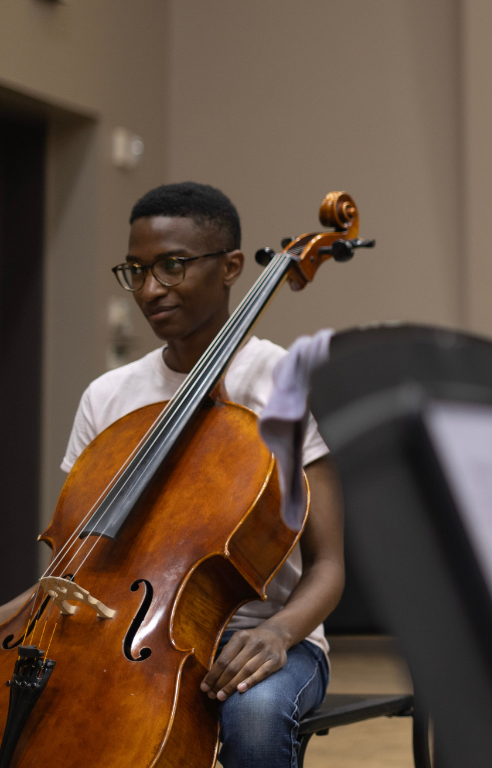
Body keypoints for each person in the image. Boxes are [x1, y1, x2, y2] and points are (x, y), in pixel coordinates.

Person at [0, 182, 345, 767]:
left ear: (232, 266)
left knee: (256, 720)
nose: (149, 289)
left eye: (172, 266)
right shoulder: (108, 397)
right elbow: (78, 562)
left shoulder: (283, 381)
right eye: (135, 270)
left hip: (261, 638)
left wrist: (282, 633)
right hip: (115, 632)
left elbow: (330, 564)